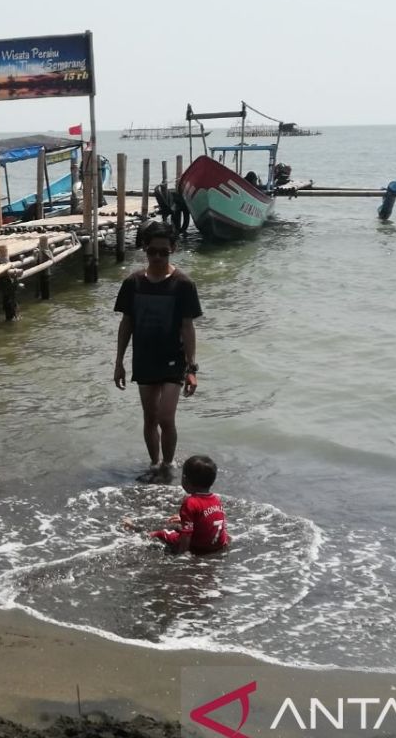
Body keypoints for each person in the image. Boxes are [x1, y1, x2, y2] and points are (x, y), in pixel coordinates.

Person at [114, 220, 202, 472]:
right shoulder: (133, 283)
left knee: (166, 417)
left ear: (173, 249)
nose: (157, 257)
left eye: (164, 251)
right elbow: (126, 324)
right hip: (144, 359)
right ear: (144, 249)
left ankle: (169, 464)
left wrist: (192, 368)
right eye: (152, 251)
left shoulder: (183, 284)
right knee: (150, 418)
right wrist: (119, 363)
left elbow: (188, 327)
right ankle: (154, 465)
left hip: (174, 359)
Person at [122, 455, 231, 555]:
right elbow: (215, 521)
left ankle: (135, 530)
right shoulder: (216, 500)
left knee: (161, 533)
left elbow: (187, 534)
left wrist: (181, 555)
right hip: (217, 545)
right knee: (178, 526)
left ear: (184, 478)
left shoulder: (190, 502)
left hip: (199, 546)